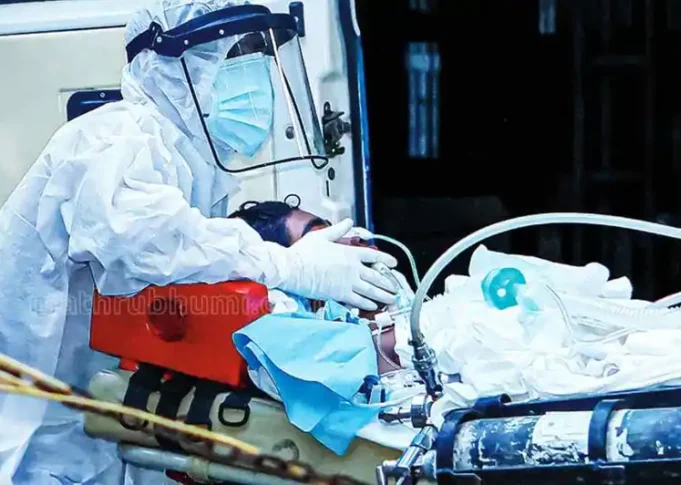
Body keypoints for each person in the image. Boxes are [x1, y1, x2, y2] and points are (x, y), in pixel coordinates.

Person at [0, 1, 397, 484]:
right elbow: (145, 242)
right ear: (171, 65)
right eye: (234, 55)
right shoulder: (114, 139)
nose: (255, 74)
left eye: (260, 52)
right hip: (40, 430)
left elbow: (186, 271)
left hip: (100, 414)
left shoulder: (191, 164)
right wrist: (292, 267)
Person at [228, 200, 403, 374]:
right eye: (322, 236)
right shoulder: (317, 350)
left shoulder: (396, 288)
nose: (354, 237)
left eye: (331, 229)